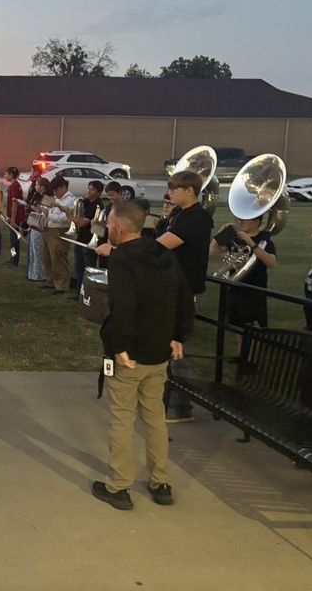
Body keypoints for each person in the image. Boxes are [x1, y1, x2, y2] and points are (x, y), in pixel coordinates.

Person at [91, 202, 194, 511]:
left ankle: (118, 487)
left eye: (109, 222)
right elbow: (183, 296)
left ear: (119, 228)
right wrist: (178, 335)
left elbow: (122, 304)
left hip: (131, 354)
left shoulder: (122, 259)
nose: (107, 227)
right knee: (154, 418)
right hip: (158, 350)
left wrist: (119, 345)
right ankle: (160, 482)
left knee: (122, 419)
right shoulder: (164, 253)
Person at [155, 170, 213, 423]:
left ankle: (180, 406)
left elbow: (161, 244)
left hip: (184, 289)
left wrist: (123, 248)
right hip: (171, 287)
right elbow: (158, 236)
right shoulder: (180, 214)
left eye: (174, 189)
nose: (170, 193)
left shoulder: (197, 218)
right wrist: (164, 218)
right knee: (166, 343)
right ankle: (167, 398)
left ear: (189, 190)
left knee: (176, 346)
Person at [208, 214, 277, 332]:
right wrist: (220, 235)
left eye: (244, 219)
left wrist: (252, 244)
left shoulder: (264, 240)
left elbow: (271, 263)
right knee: (238, 329)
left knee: (252, 332)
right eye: (239, 218)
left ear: (256, 221)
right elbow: (212, 252)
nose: (240, 221)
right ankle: (241, 351)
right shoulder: (235, 238)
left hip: (254, 293)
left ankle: (249, 351)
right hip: (234, 290)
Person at [41, 176, 76, 295]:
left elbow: (65, 219)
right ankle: (50, 281)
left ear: (63, 187)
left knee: (59, 259)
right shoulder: (57, 199)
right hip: (49, 229)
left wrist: (49, 215)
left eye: (56, 190)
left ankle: (61, 285)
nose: (55, 193)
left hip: (60, 231)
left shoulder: (70, 200)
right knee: (48, 257)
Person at [72, 180, 105, 293]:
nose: (89, 191)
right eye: (88, 188)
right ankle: (79, 290)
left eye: (93, 189)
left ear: (99, 193)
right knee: (78, 267)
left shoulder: (97, 205)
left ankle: (87, 291)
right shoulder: (85, 202)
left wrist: (69, 216)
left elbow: (82, 223)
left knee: (88, 268)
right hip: (80, 238)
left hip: (89, 240)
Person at [25, 177, 49, 282]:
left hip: (40, 226)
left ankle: (40, 274)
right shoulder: (37, 196)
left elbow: (44, 211)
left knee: (38, 251)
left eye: (37, 185)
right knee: (33, 250)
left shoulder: (47, 197)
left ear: (43, 187)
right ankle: (32, 272)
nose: (35, 187)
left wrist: (35, 208)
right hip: (34, 225)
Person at [3, 167, 26, 269]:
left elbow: (15, 204)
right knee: (12, 240)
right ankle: (12, 258)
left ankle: (14, 261)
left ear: (11, 175)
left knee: (14, 241)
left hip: (16, 219)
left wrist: (12, 219)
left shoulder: (15, 187)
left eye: (6, 174)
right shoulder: (13, 186)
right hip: (12, 217)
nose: (5, 176)